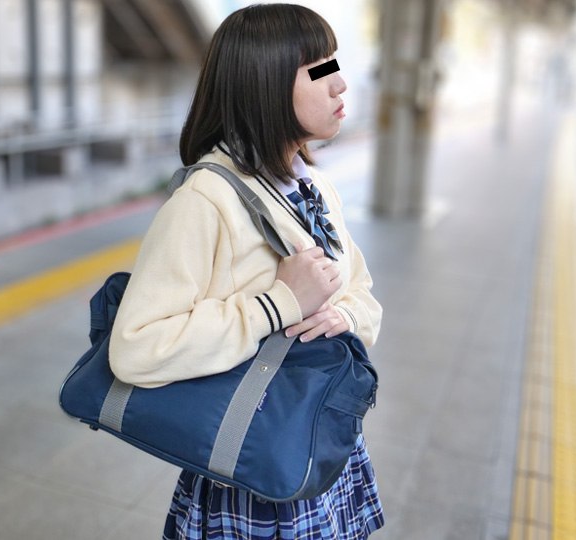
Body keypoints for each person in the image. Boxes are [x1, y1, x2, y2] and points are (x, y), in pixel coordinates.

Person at [109, 4, 384, 538]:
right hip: (249, 461)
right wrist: (277, 303)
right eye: (319, 69)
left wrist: (344, 316)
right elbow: (136, 347)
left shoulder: (315, 188)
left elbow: (362, 291)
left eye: (335, 63)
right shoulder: (205, 200)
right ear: (265, 82)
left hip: (316, 442)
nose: (340, 83)